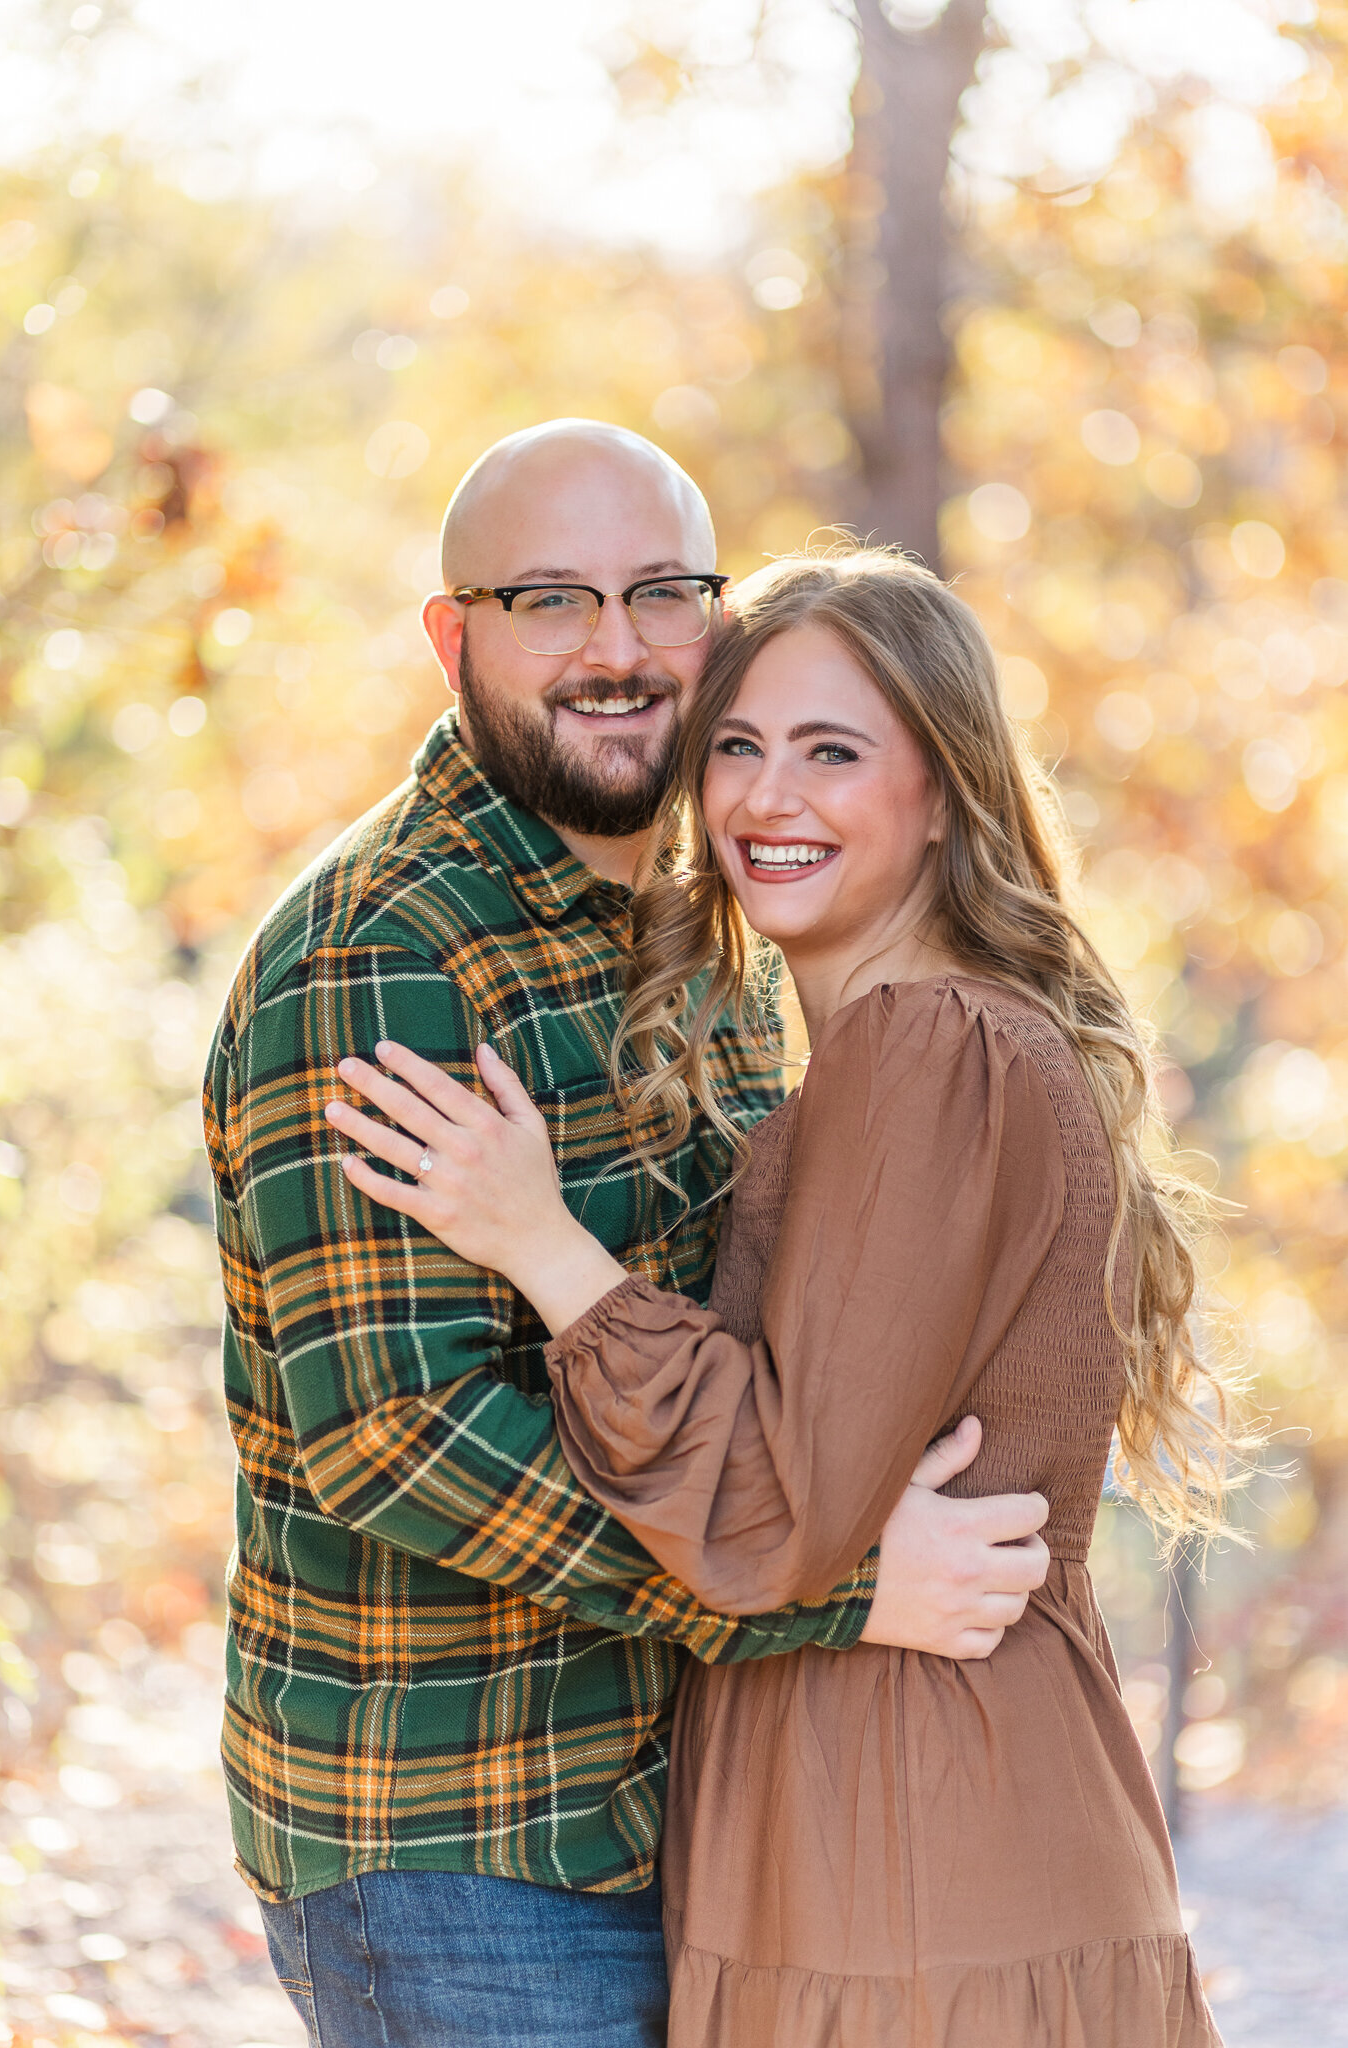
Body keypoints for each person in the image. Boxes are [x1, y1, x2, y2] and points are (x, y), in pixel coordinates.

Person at [203, 426, 1054, 2048]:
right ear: (454, 638)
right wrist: (830, 1595)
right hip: (461, 1842)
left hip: (689, 1808)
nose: (615, 649)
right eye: (550, 600)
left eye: (661, 592)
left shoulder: (709, 914)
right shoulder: (384, 954)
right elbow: (397, 1437)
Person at [331, 544, 1238, 2045]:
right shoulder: (892, 1055)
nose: (767, 798)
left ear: (942, 790)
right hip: (905, 1822)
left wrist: (540, 1243)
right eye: (736, 747)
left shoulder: (925, 1048)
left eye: (832, 751)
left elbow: (775, 1510)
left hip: (907, 1847)